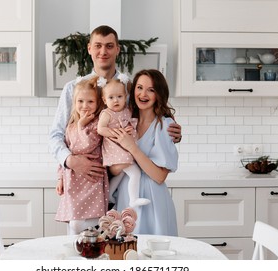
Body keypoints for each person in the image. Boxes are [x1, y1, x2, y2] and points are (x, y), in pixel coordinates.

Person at [49, 25, 182, 184]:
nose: (103, 51)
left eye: (109, 46)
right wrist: (69, 161)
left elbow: (147, 121)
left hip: (122, 177)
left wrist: (171, 132)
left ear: (118, 49)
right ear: (89, 49)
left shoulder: (130, 88)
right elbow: (56, 135)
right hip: (83, 177)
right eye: (98, 46)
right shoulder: (73, 88)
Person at [111, 69, 178, 236]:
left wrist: (132, 147)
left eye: (151, 90)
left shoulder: (164, 125)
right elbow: (113, 168)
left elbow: (159, 176)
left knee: (152, 254)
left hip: (152, 200)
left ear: (159, 94)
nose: (143, 94)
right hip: (126, 197)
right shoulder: (125, 120)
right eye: (139, 87)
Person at [54, 76, 109, 235]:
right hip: (72, 181)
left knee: (81, 223)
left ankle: (101, 226)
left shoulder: (96, 124)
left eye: (90, 102)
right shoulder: (70, 125)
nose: (85, 106)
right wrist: (60, 178)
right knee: (74, 222)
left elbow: (86, 145)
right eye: (80, 101)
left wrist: (81, 126)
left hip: (90, 180)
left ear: (98, 103)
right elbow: (65, 151)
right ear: (75, 102)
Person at [97, 74, 150, 208]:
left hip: (125, 146)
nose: (116, 100)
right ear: (104, 100)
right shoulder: (107, 113)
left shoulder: (127, 111)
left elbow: (135, 122)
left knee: (121, 174)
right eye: (111, 97)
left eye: (119, 97)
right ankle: (134, 199)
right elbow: (100, 129)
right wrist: (116, 133)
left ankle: (109, 194)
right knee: (135, 172)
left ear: (125, 97)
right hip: (115, 148)